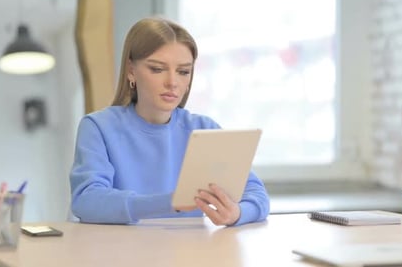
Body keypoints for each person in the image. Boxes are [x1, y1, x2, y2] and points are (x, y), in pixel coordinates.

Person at [69, 17, 270, 226]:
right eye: (157, 69)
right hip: (122, 254)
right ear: (131, 71)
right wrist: (169, 203)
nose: (173, 83)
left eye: (183, 72)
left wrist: (237, 213)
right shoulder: (98, 128)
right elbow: (86, 201)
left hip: (191, 254)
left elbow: (257, 194)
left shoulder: (204, 129)